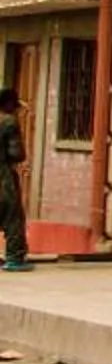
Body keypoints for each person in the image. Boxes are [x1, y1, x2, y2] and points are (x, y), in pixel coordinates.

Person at [0, 87, 31, 271]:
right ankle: (14, 258)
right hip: (3, 177)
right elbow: (16, 153)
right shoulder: (9, 122)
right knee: (13, 217)